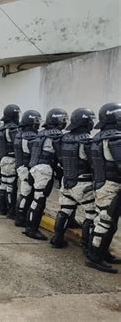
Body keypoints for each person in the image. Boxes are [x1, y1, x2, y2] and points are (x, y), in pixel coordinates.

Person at [50, 108, 97, 249]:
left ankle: (57, 239)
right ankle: (87, 246)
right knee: (91, 215)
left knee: (65, 210)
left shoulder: (62, 138)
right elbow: (94, 163)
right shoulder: (87, 141)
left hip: (67, 181)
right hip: (84, 182)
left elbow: (59, 158)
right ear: (85, 122)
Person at [85, 102, 121, 273]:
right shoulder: (114, 138)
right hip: (110, 185)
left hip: (103, 184)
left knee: (110, 222)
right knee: (105, 222)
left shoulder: (99, 137)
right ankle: (94, 257)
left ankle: (104, 253)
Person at [24, 108, 68, 240]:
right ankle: (32, 229)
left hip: (34, 169)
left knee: (35, 200)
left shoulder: (40, 134)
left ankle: (29, 227)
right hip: (44, 171)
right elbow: (60, 156)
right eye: (64, 120)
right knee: (39, 201)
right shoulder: (56, 135)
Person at [14, 110, 42, 227]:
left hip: (21, 167)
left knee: (24, 193)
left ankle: (19, 217)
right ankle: (21, 219)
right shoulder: (30, 137)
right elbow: (33, 155)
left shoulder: (19, 134)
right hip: (27, 168)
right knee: (27, 194)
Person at [0, 104, 21, 218]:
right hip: (12, 159)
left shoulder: (1, 128)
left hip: (3, 159)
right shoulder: (13, 129)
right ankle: (11, 211)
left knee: (4, 184)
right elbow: (17, 144)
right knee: (11, 186)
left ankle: (2, 209)